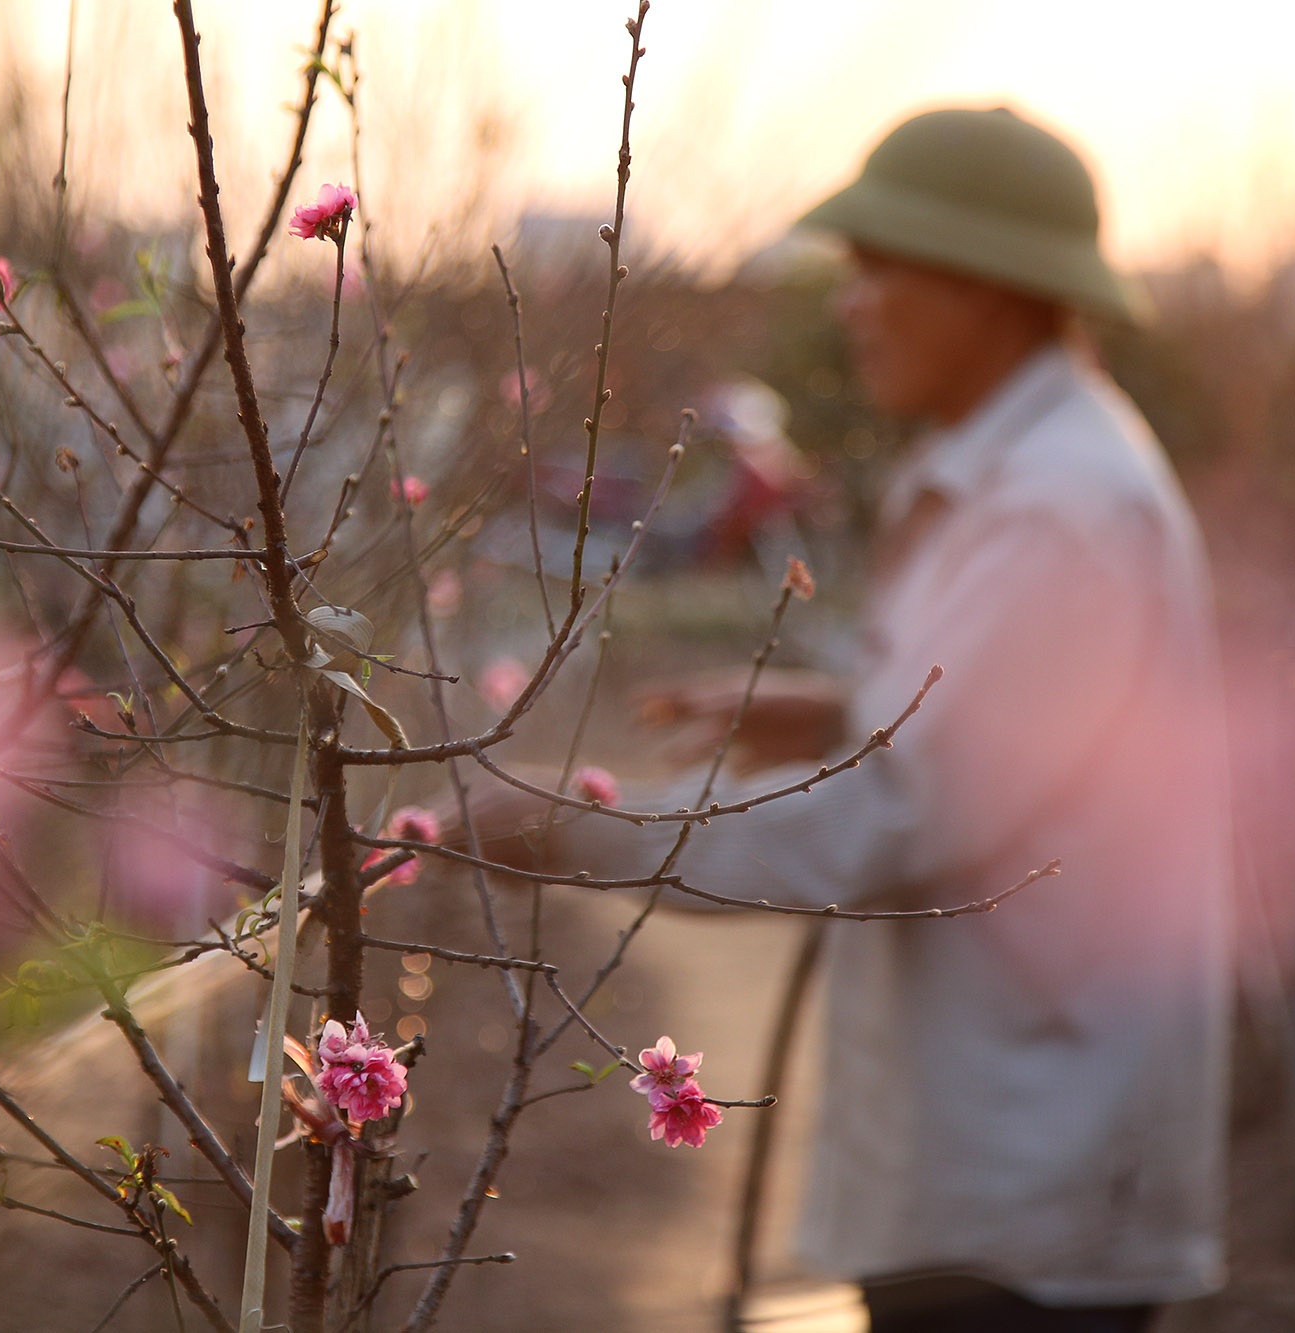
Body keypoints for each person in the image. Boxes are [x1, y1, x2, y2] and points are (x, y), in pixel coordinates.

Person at [497, 107, 1234, 1331]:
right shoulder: (1009, 474)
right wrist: (846, 706)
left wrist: (575, 833)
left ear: (990, 288)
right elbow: (1021, 723)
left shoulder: (1052, 507)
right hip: (997, 1158)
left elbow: (889, 821)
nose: (848, 305)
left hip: (1021, 1188)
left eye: (877, 270)